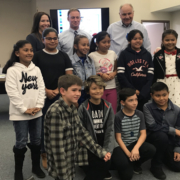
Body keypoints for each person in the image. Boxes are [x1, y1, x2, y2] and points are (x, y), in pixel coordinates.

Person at [44, 74, 111, 180]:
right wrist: (63, 176)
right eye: (74, 90)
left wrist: (100, 152)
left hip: (71, 158)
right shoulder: (55, 111)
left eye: (79, 90)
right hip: (61, 165)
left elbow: (81, 132)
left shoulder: (72, 107)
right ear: (62, 91)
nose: (78, 94)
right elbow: (57, 149)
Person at [3, 40, 46, 180]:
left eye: (31, 50)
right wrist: (24, 109)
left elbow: (41, 89)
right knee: (21, 142)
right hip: (20, 114)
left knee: (36, 140)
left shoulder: (36, 69)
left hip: (36, 112)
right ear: (17, 53)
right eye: (26, 50)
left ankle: (36, 167)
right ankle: (18, 172)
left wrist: (39, 106)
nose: (29, 53)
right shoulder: (12, 70)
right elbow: (12, 92)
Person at [32, 27, 73, 169]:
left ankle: (60, 153)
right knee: (44, 126)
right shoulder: (37, 56)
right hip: (42, 96)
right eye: (48, 38)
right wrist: (46, 91)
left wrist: (57, 90)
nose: (52, 41)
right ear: (43, 40)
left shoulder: (63, 56)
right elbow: (34, 78)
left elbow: (68, 76)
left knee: (61, 126)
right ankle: (44, 153)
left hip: (60, 95)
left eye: (55, 38)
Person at [113, 88, 156, 180]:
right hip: (122, 146)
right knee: (126, 177)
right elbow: (118, 138)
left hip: (135, 144)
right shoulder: (118, 116)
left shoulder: (140, 114)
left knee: (151, 149)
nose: (135, 103)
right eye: (130, 100)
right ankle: (128, 162)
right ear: (122, 102)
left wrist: (136, 148)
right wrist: (129, 154)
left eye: (136, 99)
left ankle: (136, 163)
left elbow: (143, 134)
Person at [78, 75, 115, 180]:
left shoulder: (108, 106)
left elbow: (110, 130)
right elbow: (81, 131)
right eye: (94, 88)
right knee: (100, 165)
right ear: (88, 91)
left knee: (110, 162)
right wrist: (99, 152)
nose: (98, 91)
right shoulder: (83, 107)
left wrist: (107, 151)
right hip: (90, 145)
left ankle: (102, 167)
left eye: (100, 88)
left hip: (104, 143)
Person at [144, 82, 180, 180]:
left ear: (168, 93)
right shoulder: (147, 107)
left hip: (170, 141)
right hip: (154, 138)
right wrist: (173, 131)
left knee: (177, 167)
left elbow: (179, 131)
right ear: (152, 95)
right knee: (161, 136)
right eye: (157, 95)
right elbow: (152, 126)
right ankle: (156, 166)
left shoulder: (176, 110)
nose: (161, 98)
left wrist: (177, 148)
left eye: (164, 95)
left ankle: (164, 155)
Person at [117, 29, 154, 111]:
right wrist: (132, 90)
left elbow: (151, 75)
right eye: (135, 39)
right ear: (129, 40)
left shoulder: (147, 55)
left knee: (143, 117)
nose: (138, 41)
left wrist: (145, 91)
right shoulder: (124, 54)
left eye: (140, 38)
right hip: (128, 93)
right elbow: (120, 75)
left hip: (144, 94)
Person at [89, 31, 118, 113]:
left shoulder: (113, 53)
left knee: (112, 111)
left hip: (112, 87)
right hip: (98, 88)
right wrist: (101, 75)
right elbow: (90, 73)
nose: (107, 44)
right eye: (104, 42)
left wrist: (113, 73)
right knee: (100, 111)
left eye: (109, 42)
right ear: (97, 43)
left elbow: (116, 69)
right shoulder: (92, 55)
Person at [153, 29, 180, 107]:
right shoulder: (158, 55)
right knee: (163, 103)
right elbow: (155, 71)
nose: (170, 42)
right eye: (167, 40)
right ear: (162, 41)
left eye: (172, 40)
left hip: (178, 82)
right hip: (163, 81)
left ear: (176, 40)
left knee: (177, 104)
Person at [70, 35, 96, 105]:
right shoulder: (70, 60)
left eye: (88, 45)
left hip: (88, 92)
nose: (86, 47)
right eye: (83, 45)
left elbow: (93, 77)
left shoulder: (90, 60)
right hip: (76, 93)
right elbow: (70, 80)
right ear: (75, 46)